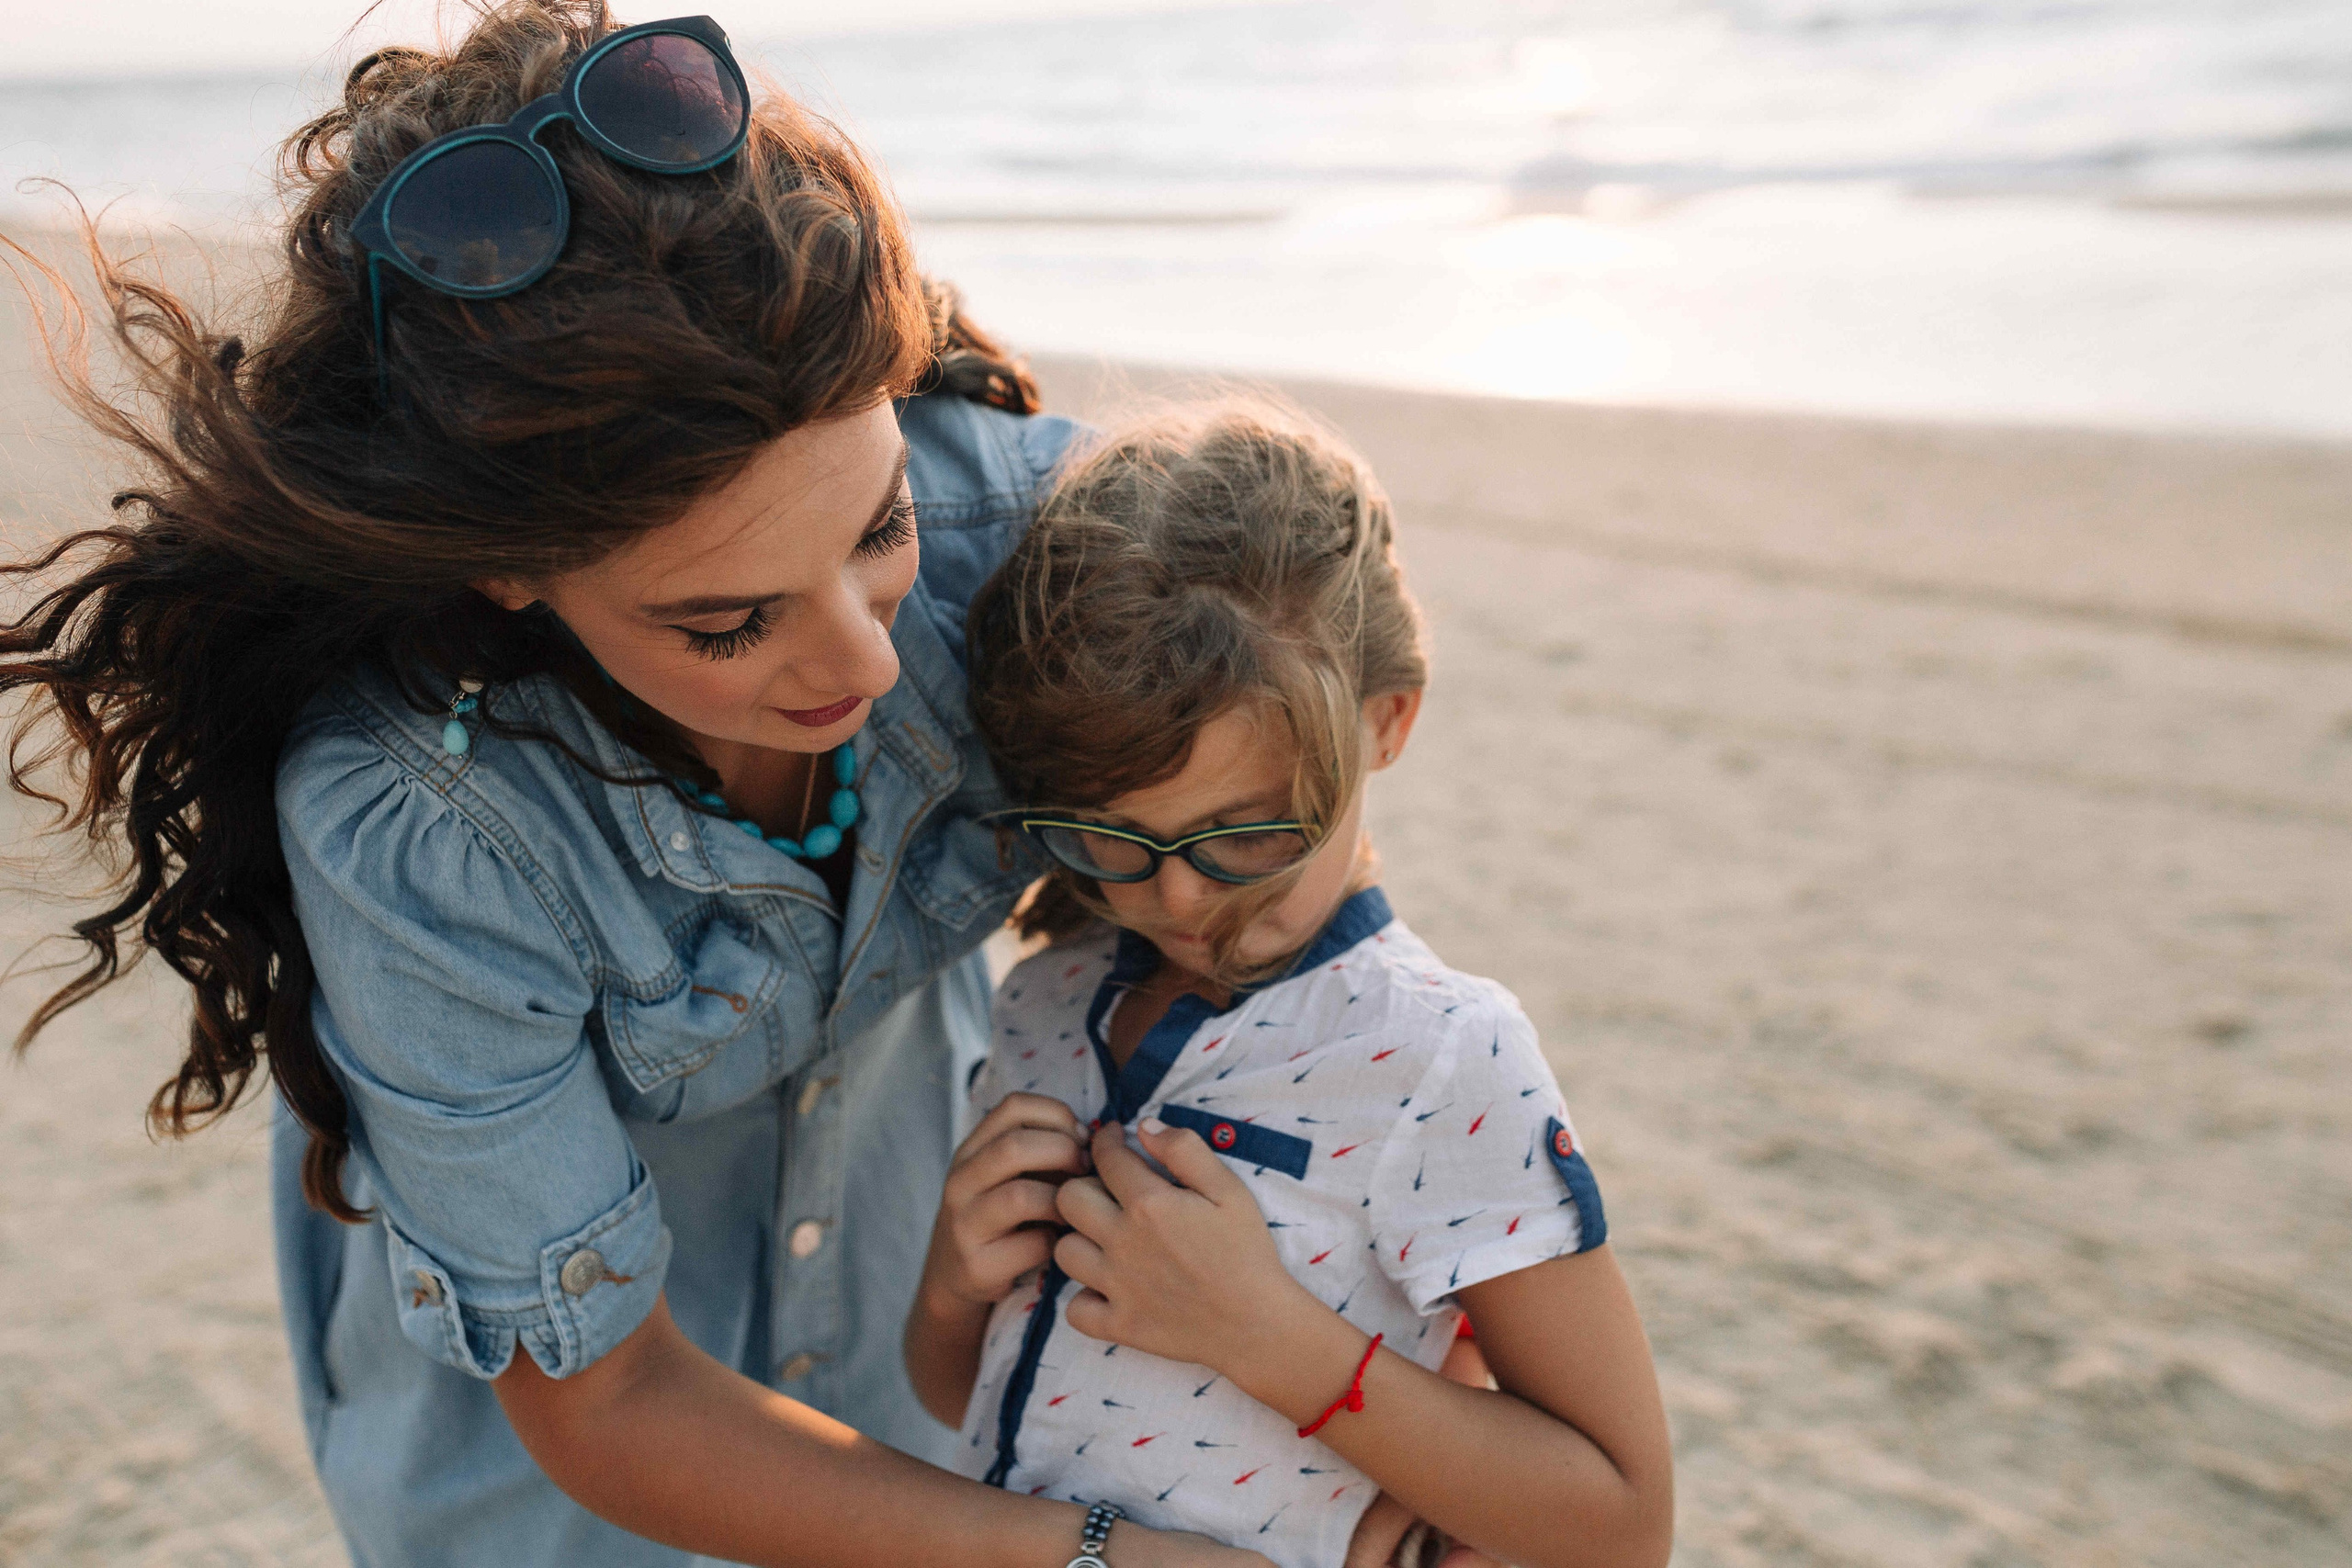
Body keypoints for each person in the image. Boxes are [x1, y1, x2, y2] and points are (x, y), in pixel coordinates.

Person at [0, 6, 1272, 1566]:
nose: (864, 668)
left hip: (922, 1366)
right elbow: (606, 1407)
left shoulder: (1028, 538)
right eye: (727, 620)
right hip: (565, 1505)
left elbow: (1258, 926)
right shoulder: (422, 817)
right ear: (514, 571)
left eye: (878, 528)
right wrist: (1089, 1554)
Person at [904, 401, 1676, 1568]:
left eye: (1246, 833)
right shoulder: (1046, 1000)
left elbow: (1620, 1525)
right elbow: (966, 1391)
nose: (1175, 899)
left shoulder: (1445, 1056)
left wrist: (1270, 1340)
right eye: (1109, 839)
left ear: (1385, 724)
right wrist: (953, 1286)